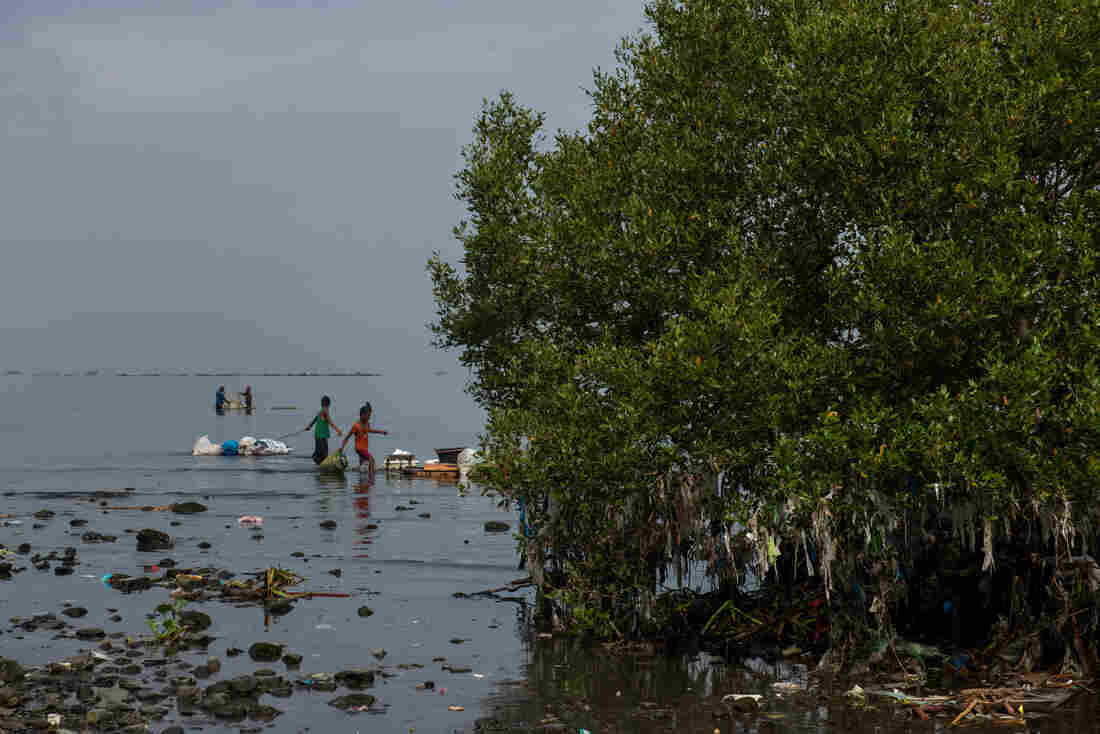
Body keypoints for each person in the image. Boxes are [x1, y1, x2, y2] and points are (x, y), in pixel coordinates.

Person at [340, 403, 388, 474]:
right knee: (371, 460)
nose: (369, 418)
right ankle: (371, 478)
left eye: (369, 416)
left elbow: (370, 430)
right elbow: (347, 438)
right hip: (359, 448)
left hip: (365, 448)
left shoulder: (367, 424)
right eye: (368, 416)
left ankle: (361, 481)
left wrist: (381, 432)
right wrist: (341, 448)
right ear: (362, 415)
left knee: (362, 466)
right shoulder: (356, 426)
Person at [305, 395, 342, 464]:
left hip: (318, 434)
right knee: (324, 453)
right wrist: (338, 430)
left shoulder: (320, 411)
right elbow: (330, 421)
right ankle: (320, 462)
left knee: (320, 451)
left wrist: (309, 426)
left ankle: (318, 460)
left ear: (321, 404)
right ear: (329, 404)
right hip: (321, 435)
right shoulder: (325, 411)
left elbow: (315, 419)